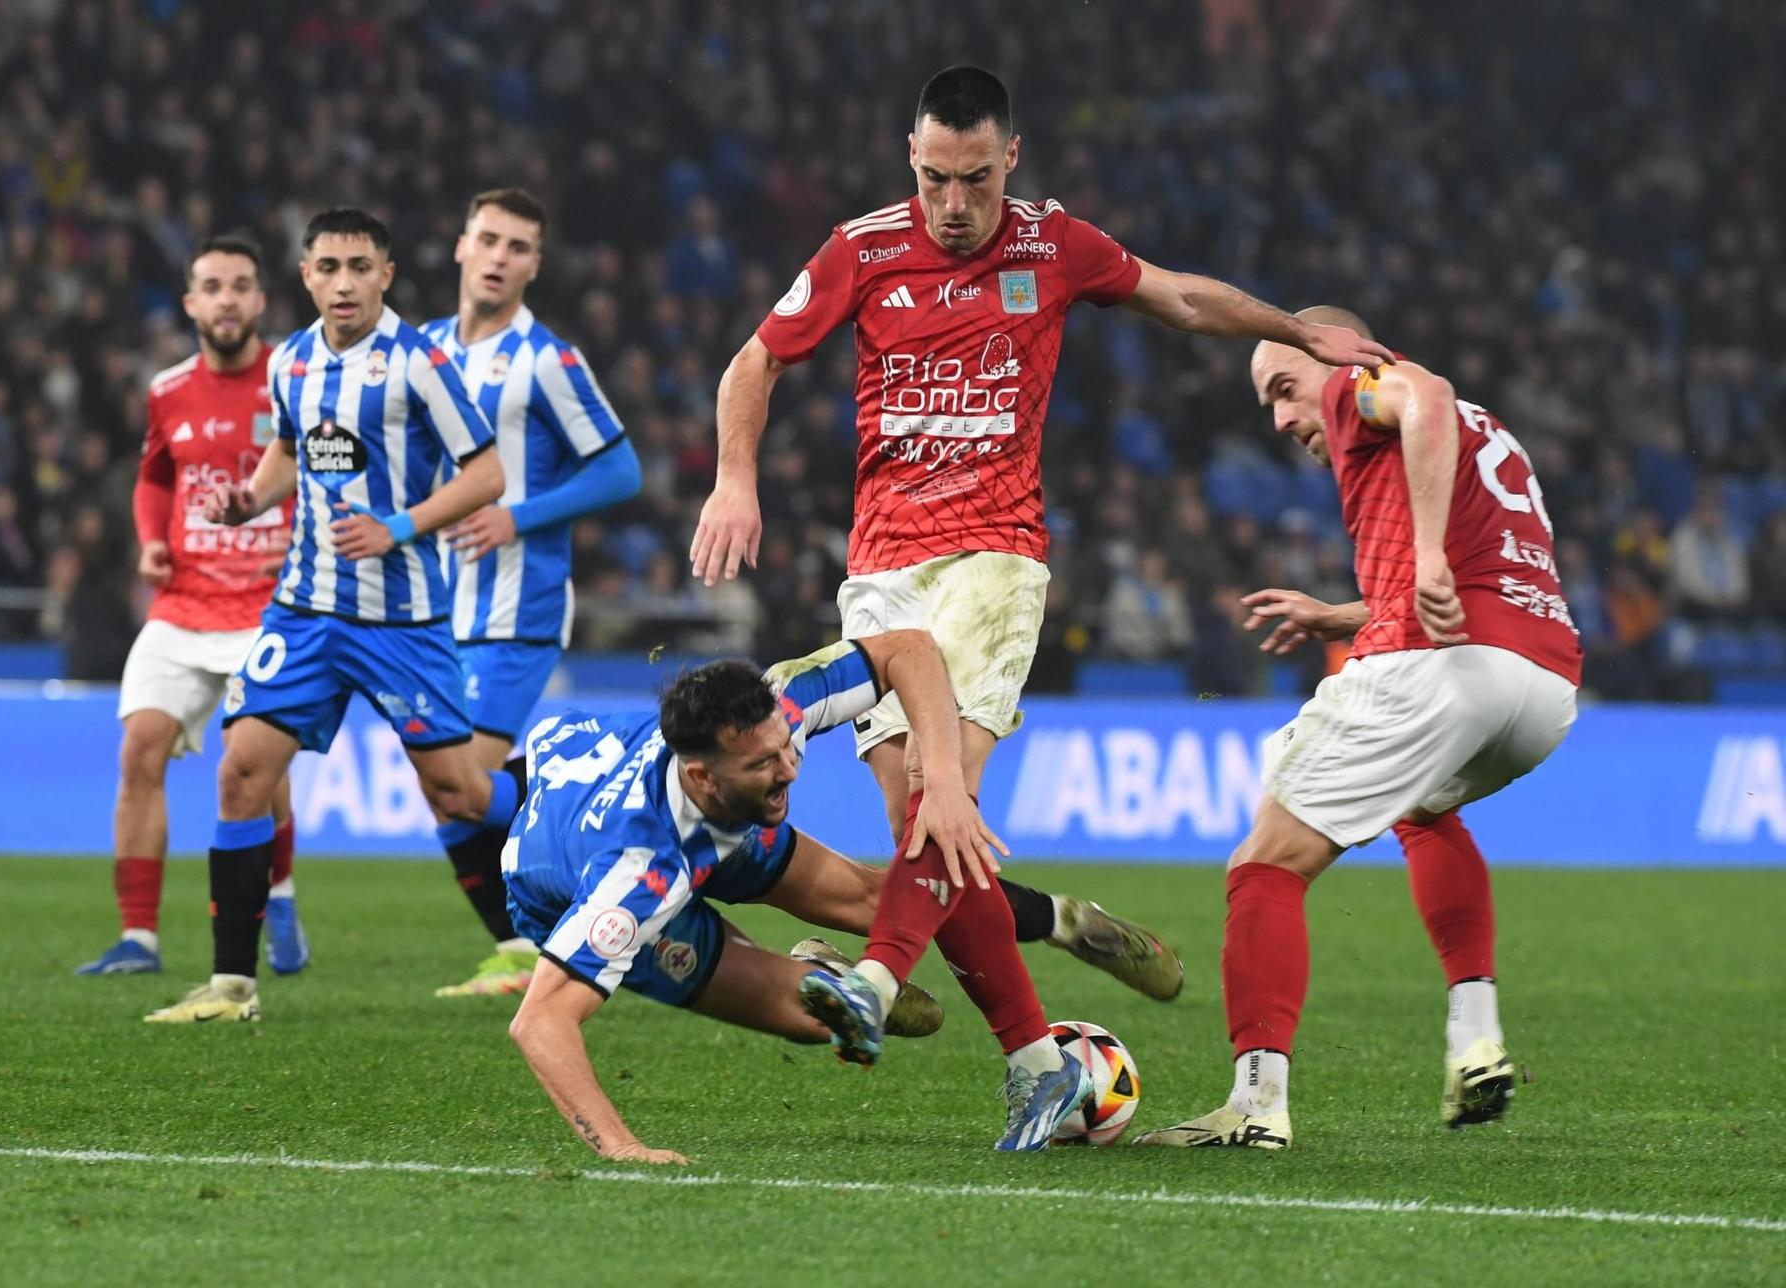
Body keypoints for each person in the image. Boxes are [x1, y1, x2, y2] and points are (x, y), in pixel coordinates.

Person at [690, 66, 1384, 1089]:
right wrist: (732, 478)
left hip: (992, 557)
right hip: (881, 571)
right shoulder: (862, 248)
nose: (955, 205)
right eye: (935, 179)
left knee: (942, 797)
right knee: (912, 825)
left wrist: (1291, 328)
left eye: (974, 179)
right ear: (910, 160)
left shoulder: (1053, 245)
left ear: (1008, 159)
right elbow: (754, 359)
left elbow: (1180, 299)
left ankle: (888, 991)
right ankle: (1054, 941)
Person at [1135, 307, 1581, 1149]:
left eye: (1284, 389)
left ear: (1328, 356)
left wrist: (1429, 561)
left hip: (1439, 668)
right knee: (1423, 811)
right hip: (1543, 687)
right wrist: (1338, 612)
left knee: (1264, 865)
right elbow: (1482, 556)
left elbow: (1424, 393)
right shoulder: (1493, 435)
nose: (1282, 418)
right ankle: (1474, 1033)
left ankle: (1255, 1104)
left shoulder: (1358, 384)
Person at [508, 632, 1105, 1161]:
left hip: (716, 825)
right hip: (596, 884)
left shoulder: (779, 704)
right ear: (701, 776)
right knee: (811, 1020)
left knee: (895, 907)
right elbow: (540, 1022)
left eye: (785, 748)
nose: (790, 770)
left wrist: (944, 778)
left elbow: (911, 650)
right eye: (764, 762)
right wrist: (622, 1148)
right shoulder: (636, 880)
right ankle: (821, 976)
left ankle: (1028, 968)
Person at [145, 209, 506, 1023]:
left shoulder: (421, 364)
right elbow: (287, 454)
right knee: (241, 769)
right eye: (329, 267)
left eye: (360, 266)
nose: (344, 282)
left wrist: (400, 526)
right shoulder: (293, 363)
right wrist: (250, 499)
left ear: (386, 274)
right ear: (305, 276)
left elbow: (487, 473)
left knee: (456, 792)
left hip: (402, 619)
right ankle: (232, 986)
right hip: (304, 611)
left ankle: (556, 804)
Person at [419, 189, 644, 999]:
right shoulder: (426, 352)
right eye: (489, 239)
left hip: (518, 608)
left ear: (534, 265)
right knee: (441, 785)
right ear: (460, 245)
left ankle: (579, 854)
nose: (499, 256)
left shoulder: (546, 359)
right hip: (436, 611)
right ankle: (529, 945)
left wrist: (518, 517)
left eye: (518, 247)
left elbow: (621, 469)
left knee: (459, 781)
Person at [78, 236, 301, 977]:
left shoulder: (296, 378)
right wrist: (148, 541)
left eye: (242, 285)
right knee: (139, 750)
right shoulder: (168, 390)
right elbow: (153, 479)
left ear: (261, 300)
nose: (228, 299)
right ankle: (137, 938)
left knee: (252, 766)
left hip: (269, 607)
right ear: (191, 303)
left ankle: (283, 892)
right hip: (182, 604)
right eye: (213, 286)